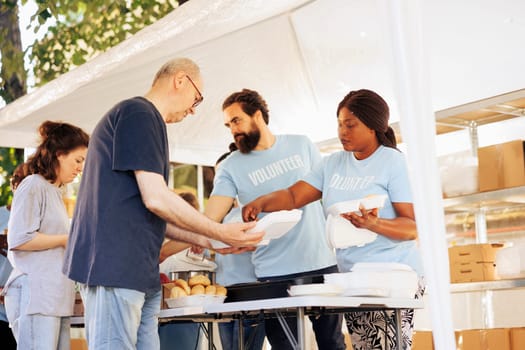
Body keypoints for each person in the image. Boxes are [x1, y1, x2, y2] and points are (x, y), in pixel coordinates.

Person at [62, 58, 263, 350]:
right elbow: (156, 197)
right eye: (197, 99)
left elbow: (151, 211)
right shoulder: (138, 113)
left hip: (139, 272)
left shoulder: (145, 120)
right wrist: (219, 232)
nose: (193, 110)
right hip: (115, 268)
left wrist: (210, 240)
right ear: (180, 80)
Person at [242, 89, 425, 350]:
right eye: (339, 124)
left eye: (350, 125)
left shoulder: (392, 162)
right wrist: (261, 203)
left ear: (373, 126)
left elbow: (412, 227)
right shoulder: (333, 163)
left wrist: (375, 224)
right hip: (353, 279)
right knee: (364, 347)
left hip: (393, 278)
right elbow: (294, 195)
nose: (342, 132)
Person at [205, 89, 345, 350]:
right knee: (286, 347)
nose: (232, 129)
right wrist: (186, 238)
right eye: (228, 125)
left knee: (333, 344)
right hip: (274, 275)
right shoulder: (230, 166)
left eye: (236, 120)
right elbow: (210, 216)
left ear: (257, 115)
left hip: (322, 263)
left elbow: (329, 193)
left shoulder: (302, 145)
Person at [2, 121, 89, 349]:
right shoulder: (33, 185)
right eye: (78, 160)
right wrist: (66, 239)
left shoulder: (54, 192)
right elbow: (19, 239)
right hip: (37, 294)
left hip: (55, 296)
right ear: (59, 154)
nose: (81, 168)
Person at [214, 144, 266, 350]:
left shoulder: (253, 209)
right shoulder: (223, 215)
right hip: (223, 295)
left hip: (250, 293)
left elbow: (265, 245)